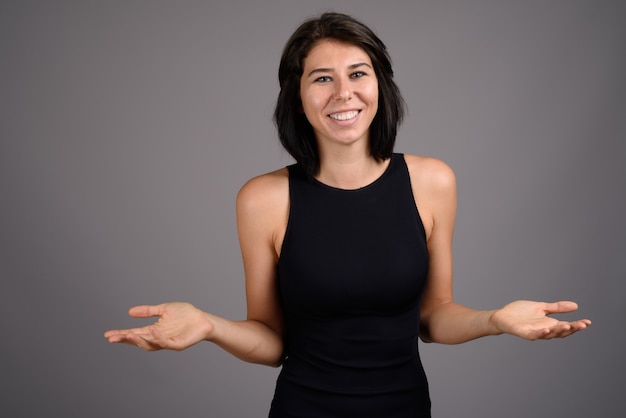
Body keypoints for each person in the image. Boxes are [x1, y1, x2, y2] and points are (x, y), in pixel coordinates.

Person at [104, 12, 591, 417]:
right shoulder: (262, 199)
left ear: (379, 84)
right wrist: (209, 325)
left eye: (358, 73)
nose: (344, 93)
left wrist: (495, 320)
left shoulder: (432, 182)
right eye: (322, 78)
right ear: (298, 96)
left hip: (405, 408)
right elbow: (272, 341)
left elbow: (434, 317)